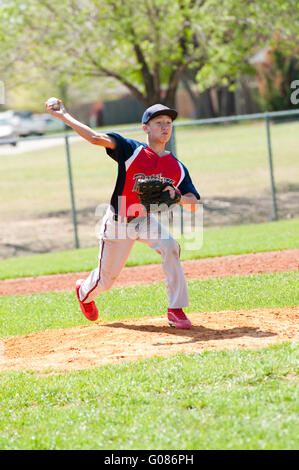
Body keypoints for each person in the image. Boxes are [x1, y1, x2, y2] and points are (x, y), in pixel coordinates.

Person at [45, 100, 200, 329]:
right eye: (158, 122)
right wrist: (65, 116)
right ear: (145, 127)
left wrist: (178, 198)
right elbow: (96, 139)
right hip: (118, 222)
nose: (165, 127)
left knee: (170, 246)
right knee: (104, 282)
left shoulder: (176, 167)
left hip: (145, 219)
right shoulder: (130, 150)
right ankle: (84, 292)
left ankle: (175, 309)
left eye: (168, 123)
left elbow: (194, 202)